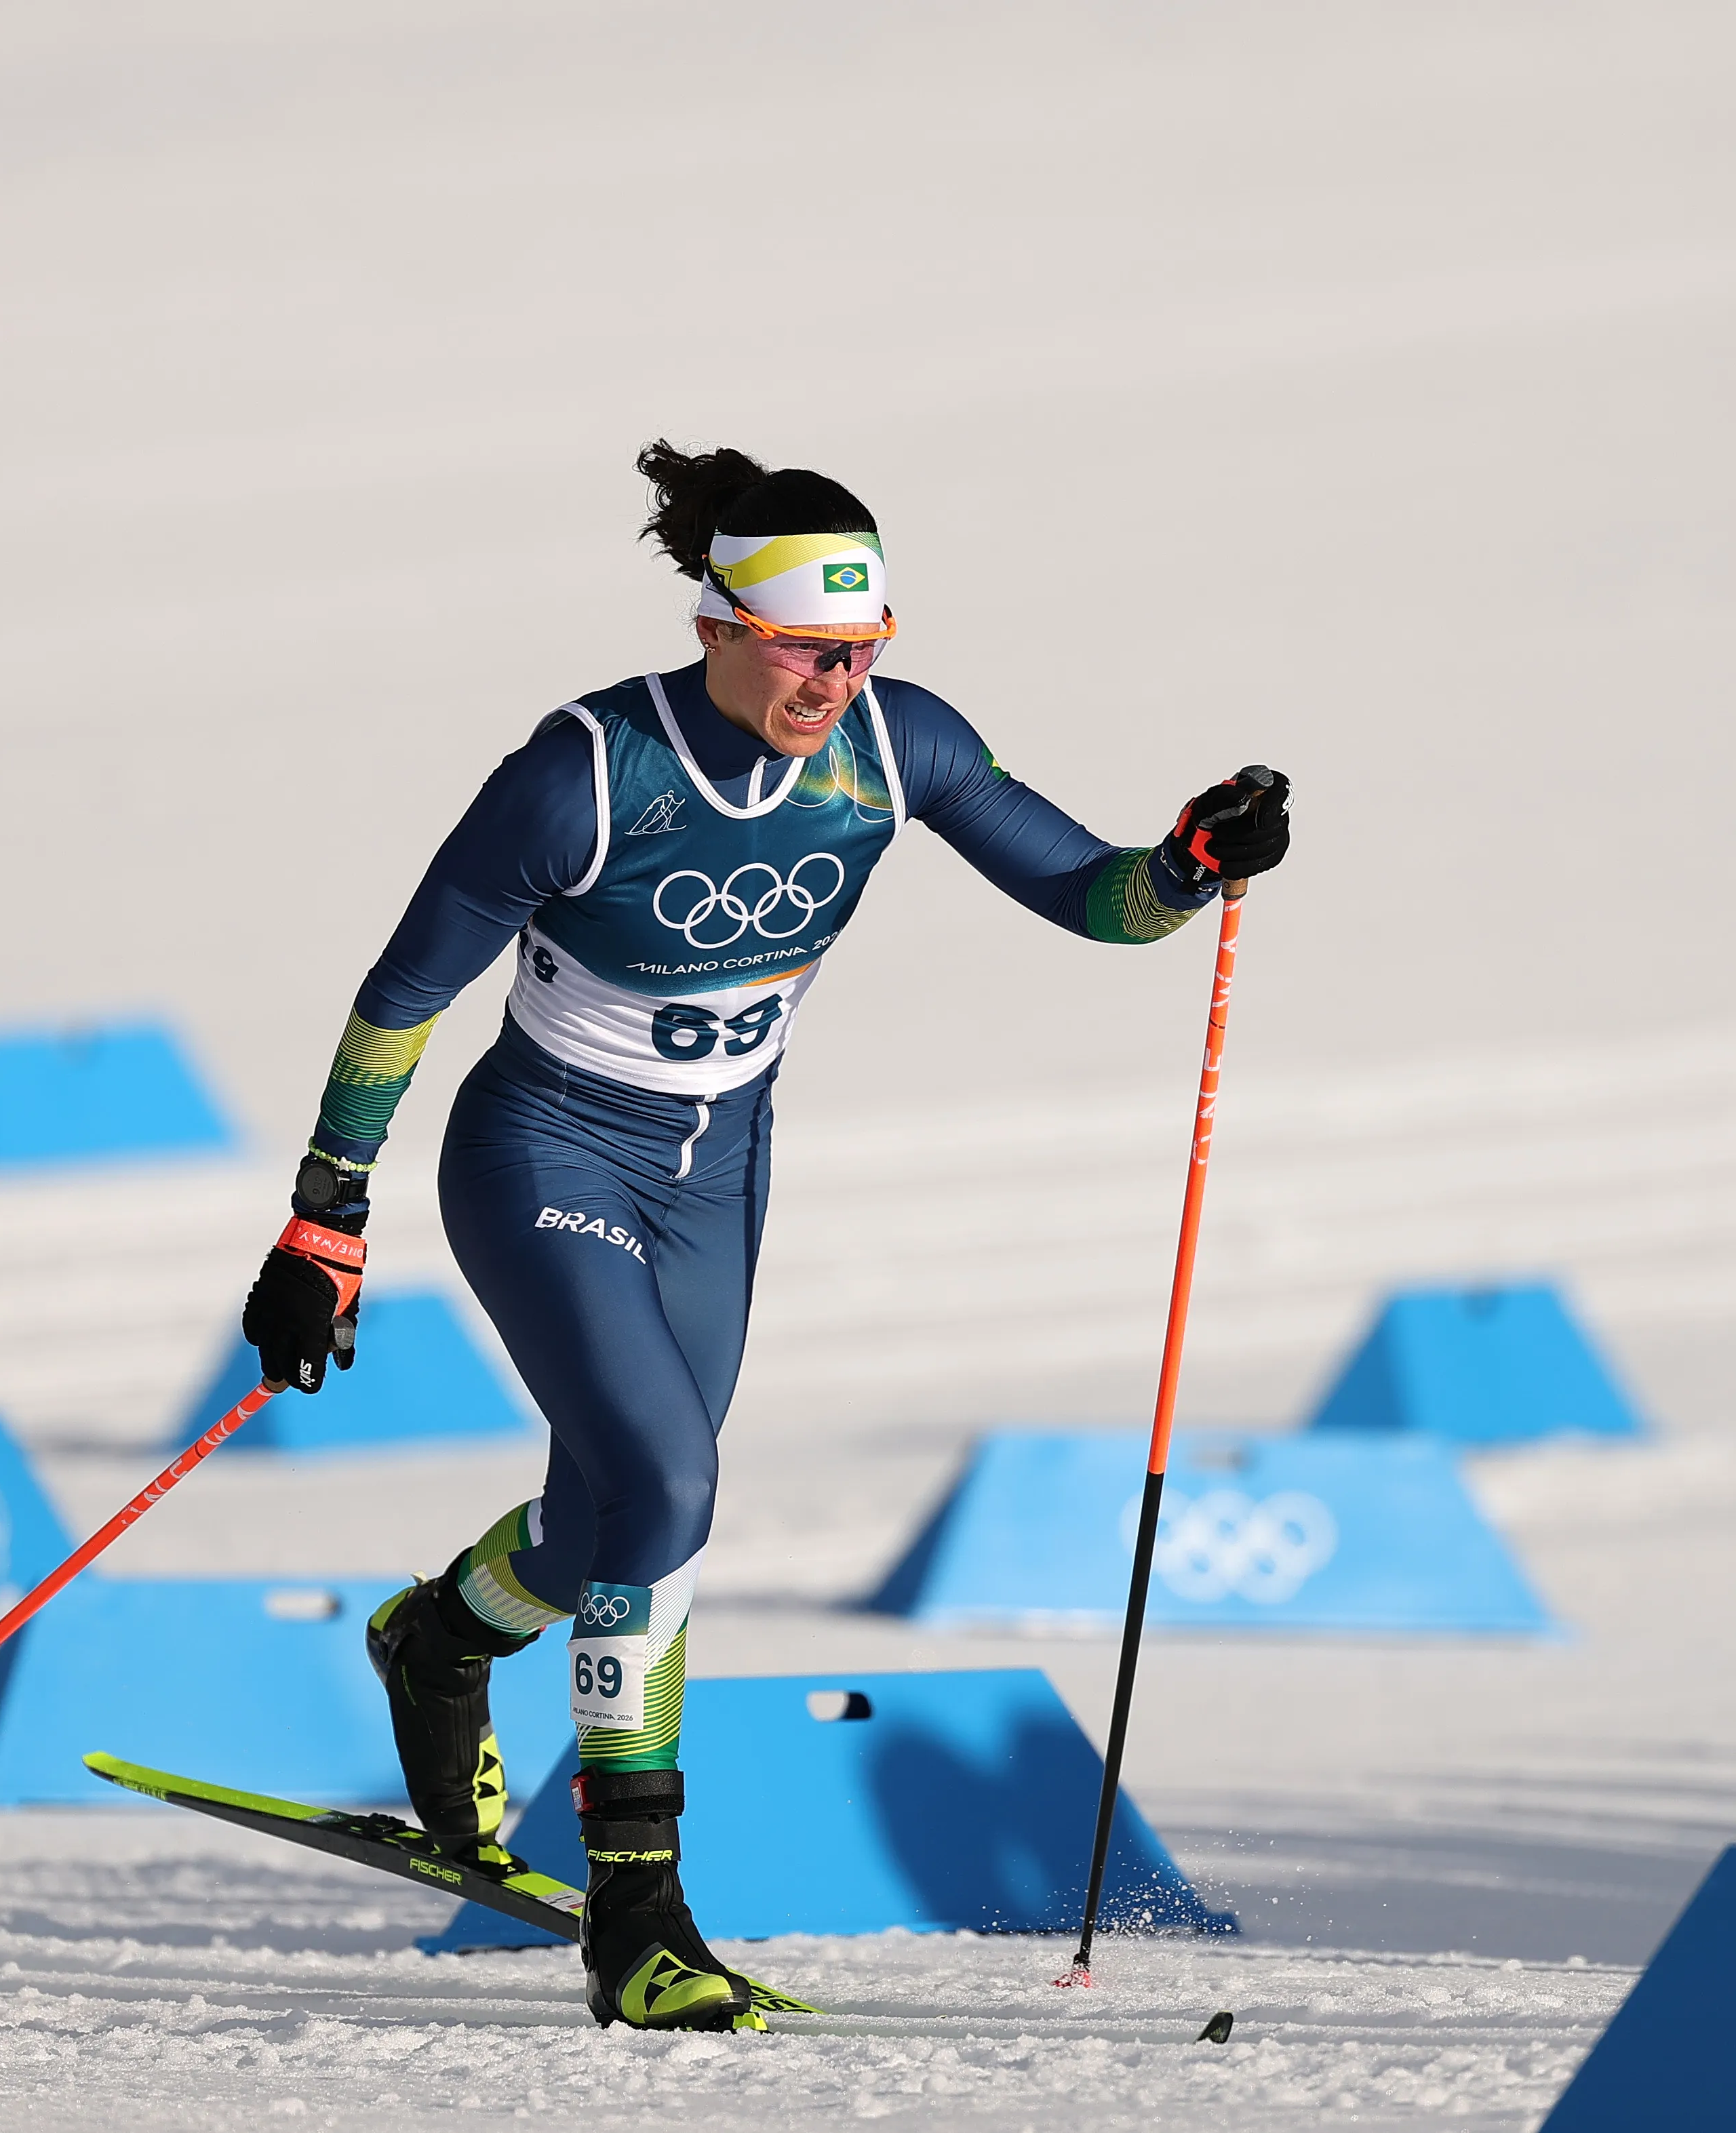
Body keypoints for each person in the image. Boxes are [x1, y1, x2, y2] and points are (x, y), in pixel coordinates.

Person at [239, 442, 1292, 2031]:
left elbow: (1093, 900)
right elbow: (404, 994)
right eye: (809, 645)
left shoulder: (897, 747)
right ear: (721, 622)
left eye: (865, 647)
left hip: (718, 1169)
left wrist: (1191, 868)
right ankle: (637, 1913)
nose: (838, 678)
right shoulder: (583, 772)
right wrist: (328, 1217)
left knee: (611, 1525)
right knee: (672, 1482)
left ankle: (440, 1636)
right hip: (543, 1146)